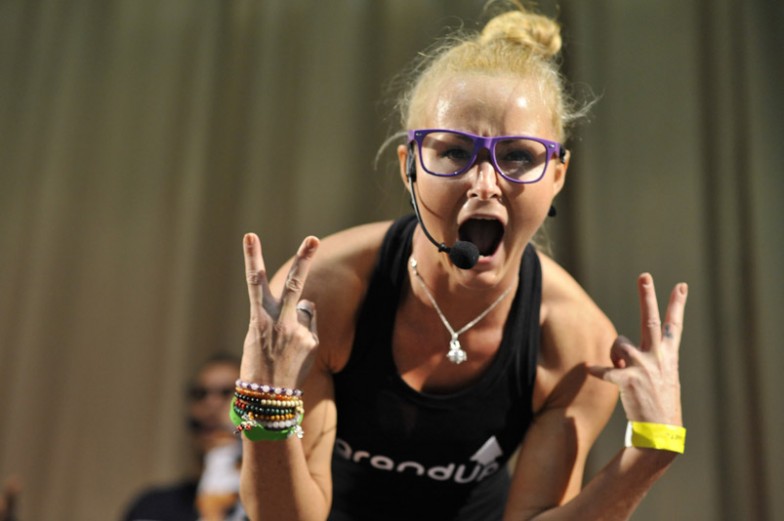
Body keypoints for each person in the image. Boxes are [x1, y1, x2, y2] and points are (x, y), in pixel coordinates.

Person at [234, 2, 689, 520]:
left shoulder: (574, 342)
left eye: (518, 156)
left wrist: (651, 453)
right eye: (454, 152)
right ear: (410, 166)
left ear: (557, 176)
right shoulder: (328, 292)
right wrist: (265, 403)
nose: (485, 184)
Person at [123, 353, 247, 521]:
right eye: (200, 394)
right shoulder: (151, 508)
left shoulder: (270, 508)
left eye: (228, 393)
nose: (211, 404)